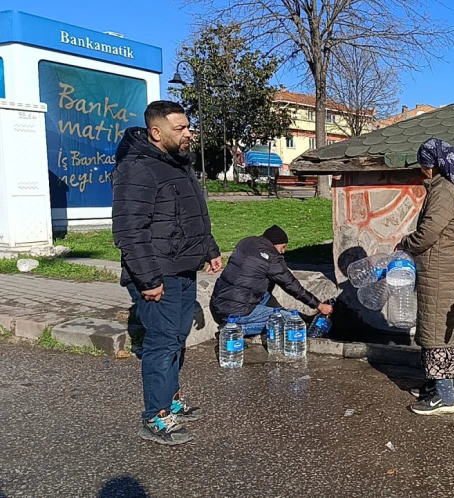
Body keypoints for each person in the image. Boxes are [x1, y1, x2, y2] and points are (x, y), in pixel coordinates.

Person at [112, 100, 223, 446]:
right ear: (156, 132)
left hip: (183, 268)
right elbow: (130, 231)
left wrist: (209, 249)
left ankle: (171, 401)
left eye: (188, 126)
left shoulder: (177, 165)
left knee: (176, 338)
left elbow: (191, 215)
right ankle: (155, 416)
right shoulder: (137, 169)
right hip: (158, 274)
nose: (189, 133)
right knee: (161, 343)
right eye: (181, 128)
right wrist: (148, 280)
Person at [397, 138, 454, 415]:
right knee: (439, 328)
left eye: (423, 164)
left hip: (440, 271)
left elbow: (430, 232)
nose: (421, 170)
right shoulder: (447, 188)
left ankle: (444, 397)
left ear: (432, 164)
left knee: (436, 332)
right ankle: (436, 385)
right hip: (441, 268)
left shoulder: (443, 190)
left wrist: (406, 243)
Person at [210, 225, 333, 333]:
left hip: (219, 301)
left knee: (268, 296)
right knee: (290, 323)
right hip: (238, 310)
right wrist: (318, 305)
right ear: (274, 245)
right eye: (283, 247)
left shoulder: (246, 242)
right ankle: (234, 329)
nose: (283, 251)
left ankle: (282, 313)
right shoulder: (272, 259)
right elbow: (291, 285)